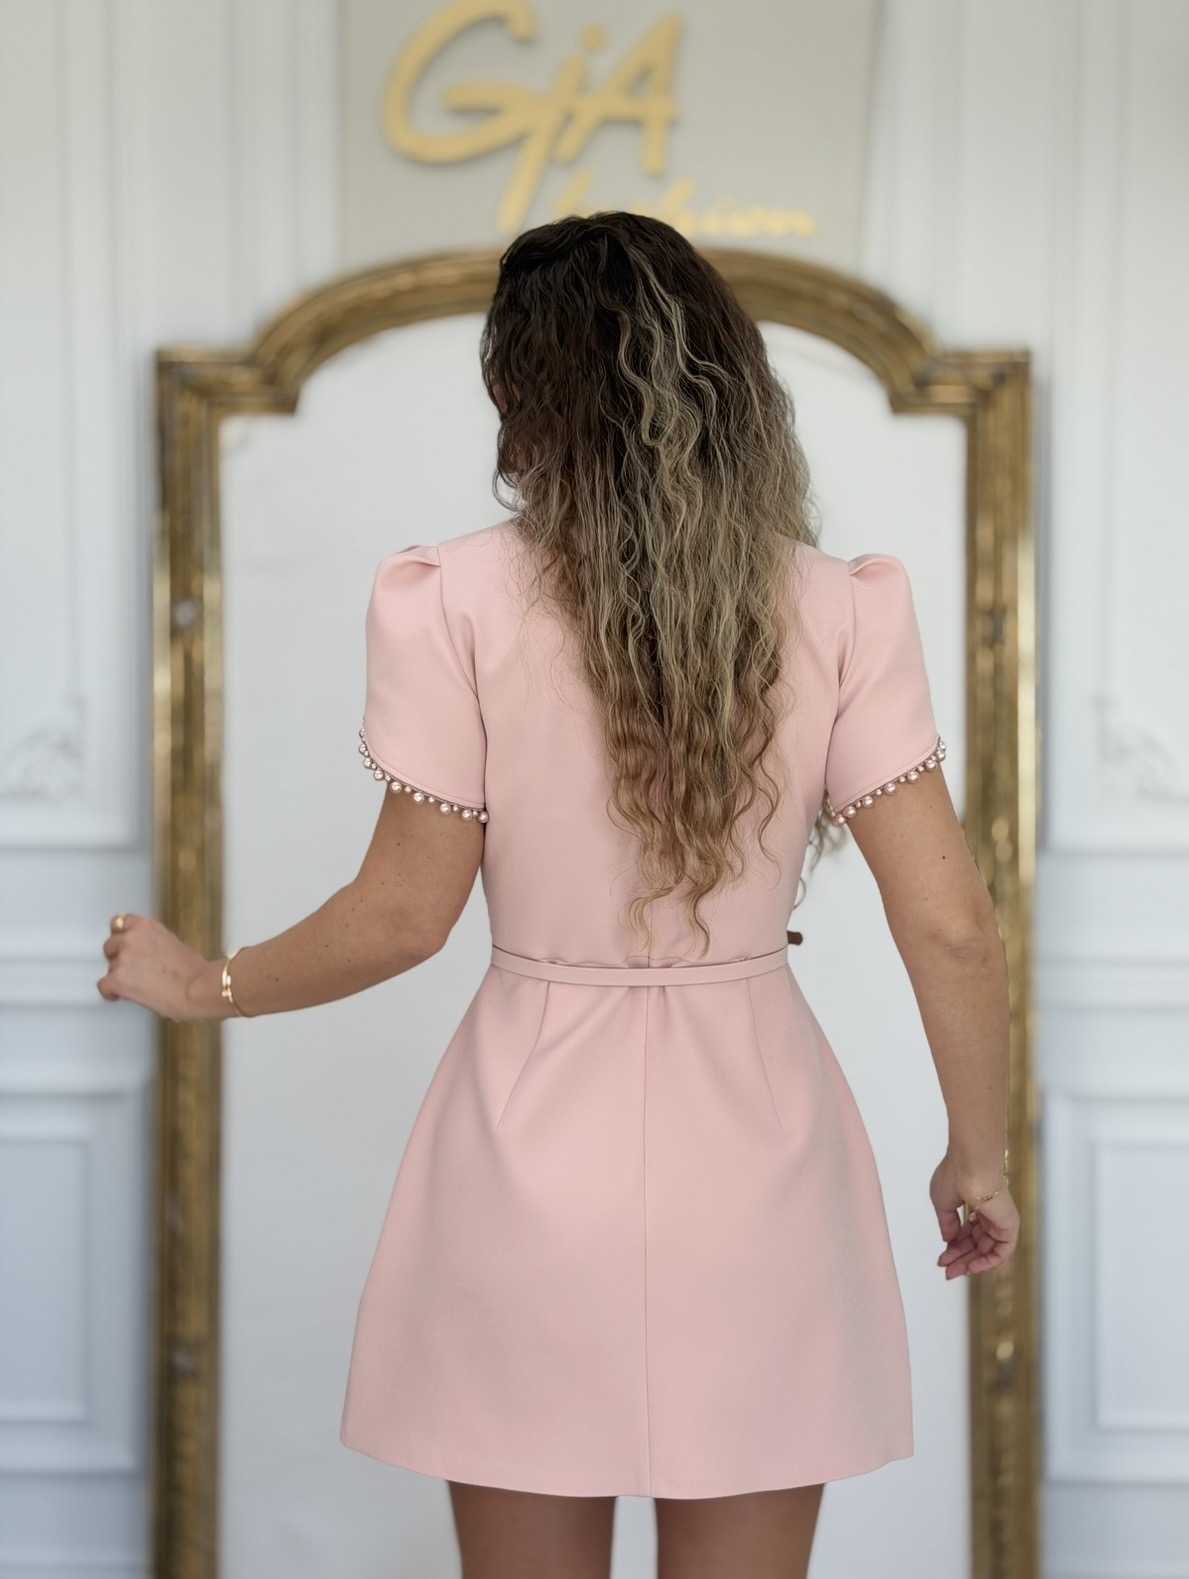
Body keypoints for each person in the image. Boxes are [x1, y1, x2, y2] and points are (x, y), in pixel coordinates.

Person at [99, 211, 1019, 1579]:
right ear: (730, 379)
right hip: (761, 1155)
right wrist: (976, 1156)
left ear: (520, 396)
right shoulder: (842, 608)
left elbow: (404, 916)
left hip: (524, 1150)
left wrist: (204, 983)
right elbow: (949, 924)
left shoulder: (450, 600)